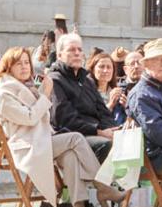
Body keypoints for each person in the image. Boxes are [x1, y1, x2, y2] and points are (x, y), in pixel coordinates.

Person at [0, 47, 125, 207]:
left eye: (26, 62)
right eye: (18, 63)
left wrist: (41, 93)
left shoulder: (26, 87)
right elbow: (30, 117)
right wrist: (45, 94)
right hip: (27, 145)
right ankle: (102, 185)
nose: (24, 67)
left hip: (43, 140)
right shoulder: (4, 94)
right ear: (7, 67)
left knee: (71, 154)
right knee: (76, 139)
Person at [49, 33, 119, 161]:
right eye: (71, 49)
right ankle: (105, 181)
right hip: (74, 136)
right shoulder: (54, 80)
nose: (77, 53)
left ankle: (126, 181)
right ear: (59, 55)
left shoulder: (87, 81)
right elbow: (65, 119)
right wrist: (99, 132)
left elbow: (103, 112)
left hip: (97, 132)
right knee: (107, 145)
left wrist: (111, 129)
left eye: (80, 50)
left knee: (133, 140)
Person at [127, 38, 162, 174]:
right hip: (159, 158)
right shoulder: (142, 95)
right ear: (146, 64)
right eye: (158, 59)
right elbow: (160, 133)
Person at [87, 51, 127, 123]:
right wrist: (110, 104)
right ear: (93, 69)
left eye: (109, 67)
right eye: (101, 67)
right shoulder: (87, 92)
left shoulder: (117, 91)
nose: (105, 71)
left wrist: (126, 107)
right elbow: (91, 119)